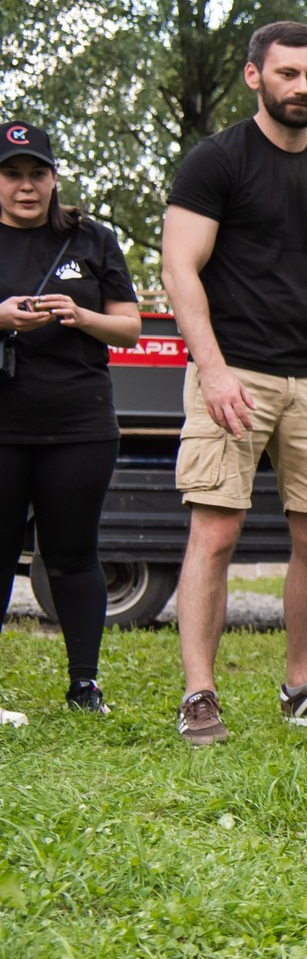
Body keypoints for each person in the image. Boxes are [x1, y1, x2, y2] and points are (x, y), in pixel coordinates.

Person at [161, 20, 307, 745]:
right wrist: (212, 369)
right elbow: (178, 268)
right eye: (288, 74)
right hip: (235, 368)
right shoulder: (216, 162)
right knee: (216, 530)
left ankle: (301, 687)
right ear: (256, 76)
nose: (302, 88)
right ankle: (199, 694)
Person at [0, 121, 142, 722]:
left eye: (37, 173)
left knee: (74, 554)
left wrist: (80, 315)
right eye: (12, 174)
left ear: (55, 178)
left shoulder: (92, 239)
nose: (25, 186)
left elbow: (130, 327)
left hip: (79, 424)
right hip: (2, 426)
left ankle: (84, 687)